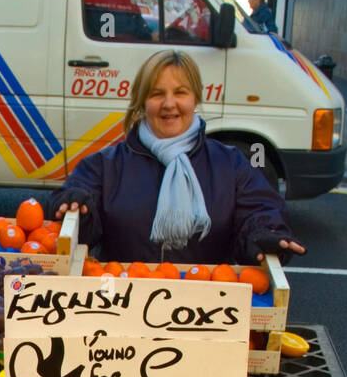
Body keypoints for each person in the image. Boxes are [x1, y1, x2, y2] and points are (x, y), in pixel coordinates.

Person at [48, 50, 304, 265]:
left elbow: (260, 210)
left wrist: (265, 233)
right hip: (121, 305)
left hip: (206, 310)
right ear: (142, 102)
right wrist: (74, 207)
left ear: (195, 99)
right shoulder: (105, 165)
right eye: (157, 94)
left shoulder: (230, 163)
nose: (169, 104)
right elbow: (76, 207)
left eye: (180, 92)